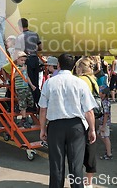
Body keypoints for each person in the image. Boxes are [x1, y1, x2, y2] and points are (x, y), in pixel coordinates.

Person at [39, 53, 97, 188]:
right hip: (76, 126)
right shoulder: (80, 83)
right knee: (76, 165)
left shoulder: (49, 83)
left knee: (56, 165)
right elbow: (89, 110)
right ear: (73, 67)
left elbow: (43, 109)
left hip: (55, 126)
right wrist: (92, 129)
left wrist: (42, 129)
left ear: (58, 65)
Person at [75, 57, 99, 187]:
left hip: (84, 118)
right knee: (91, 152)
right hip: (94, 117)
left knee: (78, 152)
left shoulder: (80, 81)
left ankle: (79, 181)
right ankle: (89, 183)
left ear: (80, 68)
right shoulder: (93, 80)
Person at [3, 51, 35, 128]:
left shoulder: (25, 66)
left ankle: (19, 107)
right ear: (17, 59)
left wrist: (31, 85)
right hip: (20, 87)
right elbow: (12, 76)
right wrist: (20, 70)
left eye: (24, 60)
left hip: (26, 86)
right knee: (23, 103)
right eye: (21, 60)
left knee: (31, 101)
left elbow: (27, 76)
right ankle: (23, 119)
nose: (23, 62)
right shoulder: (15, 67)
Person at [15, 18, 42, 105]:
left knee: (28, 81)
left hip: (27, 59)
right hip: (35, 59)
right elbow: (40, 47)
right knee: (36, 82)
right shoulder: (35, 34)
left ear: (19, 26)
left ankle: (31, 104)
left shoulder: (19, 37)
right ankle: (38, 102)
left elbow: (18, 52)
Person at [98, 85, 112, 160]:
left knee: (105, 137)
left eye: (99, 92)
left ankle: (109, 153)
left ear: (104, 94)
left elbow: (106, 114)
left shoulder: (105, 103)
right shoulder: (103, 101)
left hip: (104, 123)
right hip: (103, 122)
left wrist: (103, 125)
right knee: (101, 135)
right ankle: (108, 148)